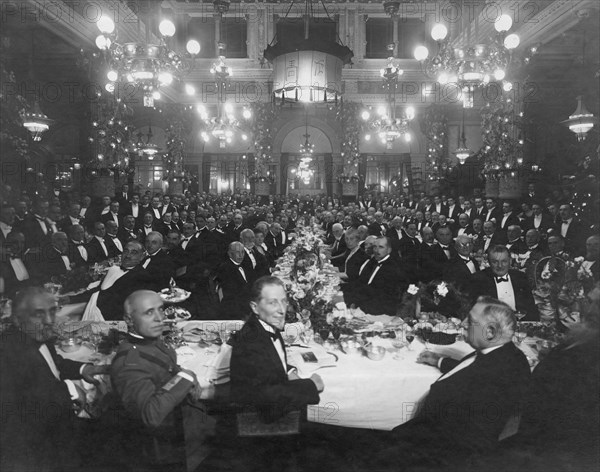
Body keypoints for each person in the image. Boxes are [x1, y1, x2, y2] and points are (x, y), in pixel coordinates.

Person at [379, 297, 531, 469]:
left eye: (471, 321)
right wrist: (440, 361)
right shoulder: (507, 354)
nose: (463, 323)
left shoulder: (493, 379)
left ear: (490, 332)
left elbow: (465, 443)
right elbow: (472, 368)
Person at [0, 287, 108, 471]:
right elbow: (36, 395)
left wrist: (83, 368)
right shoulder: (11, 350)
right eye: (39, 314)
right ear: (17, 319)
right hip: (35, 445)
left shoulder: (32, 334)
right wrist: (71, 390)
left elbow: (53, 362)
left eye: (52, 311)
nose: (49, 321)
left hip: (53, 425)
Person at [110, 290, 206, 471]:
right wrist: (187, 377)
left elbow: (166, 366)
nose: (159, 318)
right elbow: (151, 414)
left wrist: (180, 372)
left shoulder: (151, 342)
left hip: (180, 431)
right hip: (161, 452)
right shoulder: (129, 363)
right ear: (129, 320)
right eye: (149, 312)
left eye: (160, 310)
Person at [230, 276, 324, 422]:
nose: (281, 310)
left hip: (275, 398)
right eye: (272, 303)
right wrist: (311, 385)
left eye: (284, 301)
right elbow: (265, 395)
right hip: (264, 416)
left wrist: (290, 371)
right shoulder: (249, 343)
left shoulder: (266, 324)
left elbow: (274, 362)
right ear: (255, 307)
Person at [470, 245, 539, 320]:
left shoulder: (520, 277)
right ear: (489, 262)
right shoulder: (478, 279)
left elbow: (531, 308)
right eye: (495, 262)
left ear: (510, 261)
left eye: (504, 261)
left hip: (518, 324)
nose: (500, 266)